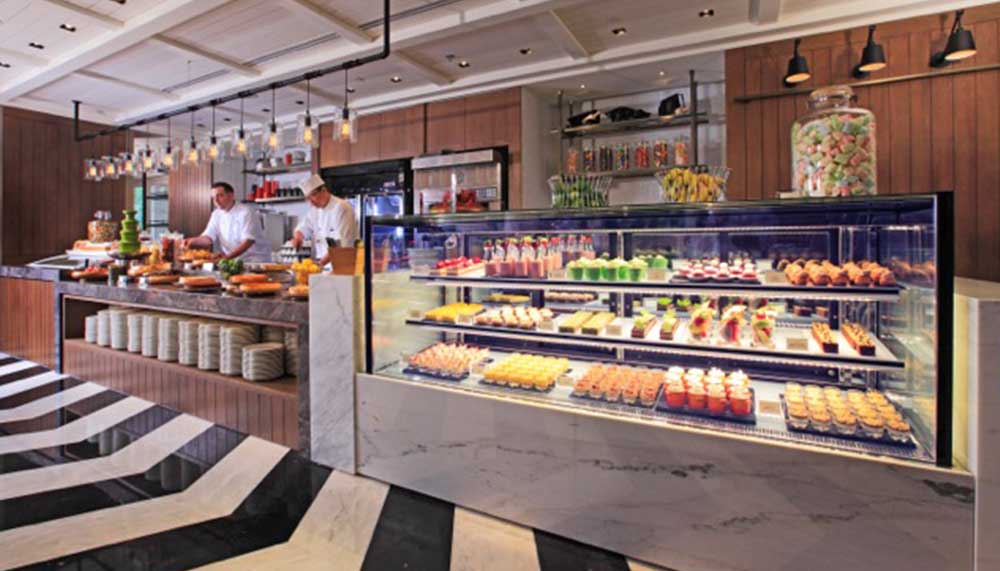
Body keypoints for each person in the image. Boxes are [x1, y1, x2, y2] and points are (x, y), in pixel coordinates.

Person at [183, 182, 272, 262]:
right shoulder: (216, 214)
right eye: (213, 198)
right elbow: (208, 238)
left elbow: (248, 241)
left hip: (254, 261)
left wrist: (225, 258)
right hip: (232, 260)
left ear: (231, 196)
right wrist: (191, 241)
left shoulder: (246, 212)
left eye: (220, 196)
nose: (216, 201)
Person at [291, 174, 359, 266]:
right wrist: (298, 237)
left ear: (323, 190)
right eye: (308, 198)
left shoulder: (341, 208)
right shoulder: (314, 211)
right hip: (325, 266)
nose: (311, 202)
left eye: (313, 195)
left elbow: (341, 244)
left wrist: (320, 264)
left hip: (343, 265)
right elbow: (303, 228)